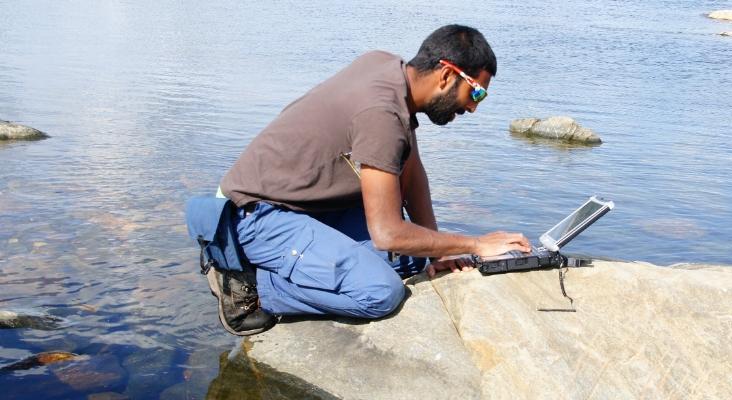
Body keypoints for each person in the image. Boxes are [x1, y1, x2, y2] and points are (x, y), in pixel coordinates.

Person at [203, 24, 531, 336]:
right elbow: (387, 233)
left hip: (298, 206)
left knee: (413, 254)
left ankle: (294, 269)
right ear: (446, 74)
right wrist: (475, 244)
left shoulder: (388, 69)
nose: (473, 108)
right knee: (380, 292)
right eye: (476, 93)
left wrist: (438, 252)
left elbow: (412, 171)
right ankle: (251, 289)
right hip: (256, 216)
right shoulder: (382, 115)